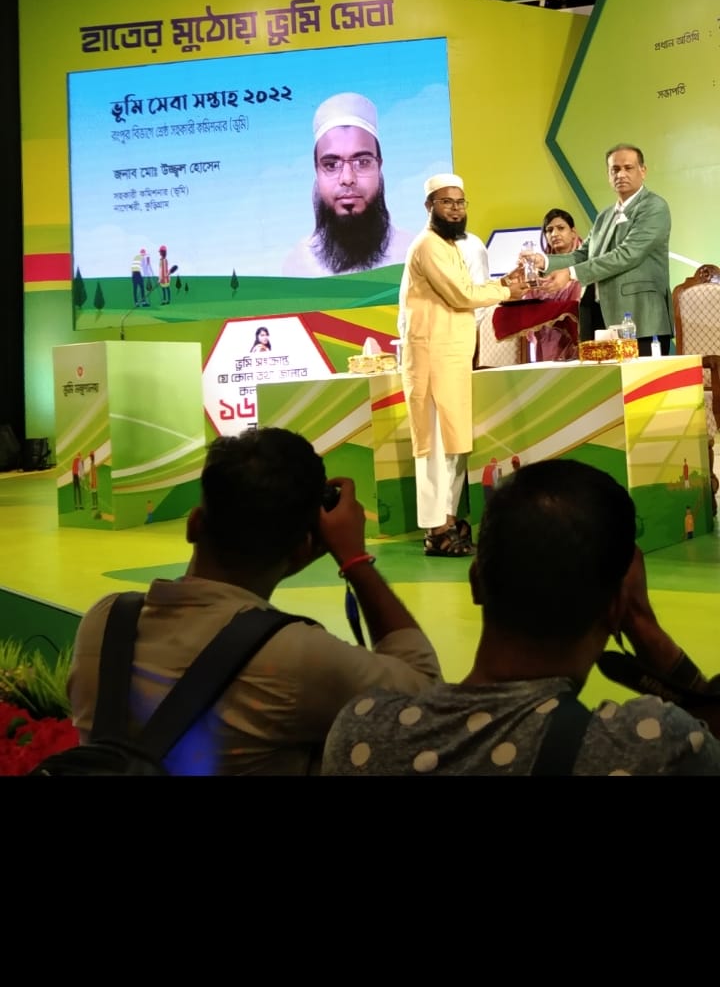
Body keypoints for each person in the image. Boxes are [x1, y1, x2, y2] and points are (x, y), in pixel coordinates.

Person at [68, 428, 442, 775]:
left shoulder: (104, 621)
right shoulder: (297, 657)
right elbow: (426, 699)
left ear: (194, 523)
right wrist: (354, 560)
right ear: (305, 548)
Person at [321, 458, 720, 776]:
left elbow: (415, 670)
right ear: (616, 606)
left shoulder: (360, 733)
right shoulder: (654, 746)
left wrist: (355, 562)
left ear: (476, 582)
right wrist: (642, 625)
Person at [399, 172, 527, 558]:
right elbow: (461, 294)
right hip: (431, 357)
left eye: (460, 203)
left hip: (452, 356)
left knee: (454, 444)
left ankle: (449, 520)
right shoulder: (428, 245)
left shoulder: (450, 245)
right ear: (429, 207)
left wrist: (505, 284)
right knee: (435, 446)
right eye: (446, 203)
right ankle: (435, 528)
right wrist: (506, 290)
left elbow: (467, 290)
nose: (455, 210)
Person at [536, 145, 674, 355]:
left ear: (643, 171)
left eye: (628, 168)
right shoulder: (605, 216)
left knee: (641, 377)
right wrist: (544, 261)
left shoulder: (655, 207)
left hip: (641, 318)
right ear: (608, 175)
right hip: (599, 316)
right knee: (604, 377)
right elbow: (582, 255)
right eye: (615, 169)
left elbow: (627, 255)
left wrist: (571, 273)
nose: (621, 174)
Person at [282, 92, 413, 278]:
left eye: (362, 162)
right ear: (316, 171)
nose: (347, 178)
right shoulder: (298, 265)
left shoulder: (414, 254)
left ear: (379, 166)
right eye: (331, 165)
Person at [532, 208, 583, 362]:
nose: (554, 234)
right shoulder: (540, 267)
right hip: (548, 337)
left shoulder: (586, 263)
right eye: (549, 230)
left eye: (561, 228)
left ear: (573, 232)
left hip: (581, 334)